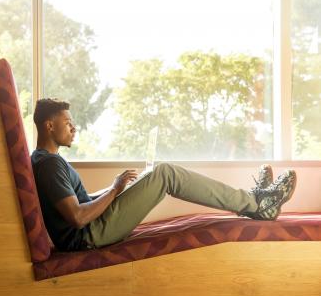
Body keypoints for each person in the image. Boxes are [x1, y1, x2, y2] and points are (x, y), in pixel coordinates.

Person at [30, 98, 297, 252]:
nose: (74, 128)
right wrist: (113, 190)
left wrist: (118, 187)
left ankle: (251, 201)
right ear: (50, 126)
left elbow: (82, 202)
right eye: (68, 123)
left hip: (91, 230)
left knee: (158, 174)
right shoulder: (50, 165)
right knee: (166, 173)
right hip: (89, 237)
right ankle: (255, 204)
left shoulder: (46, 161)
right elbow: (77, 218)